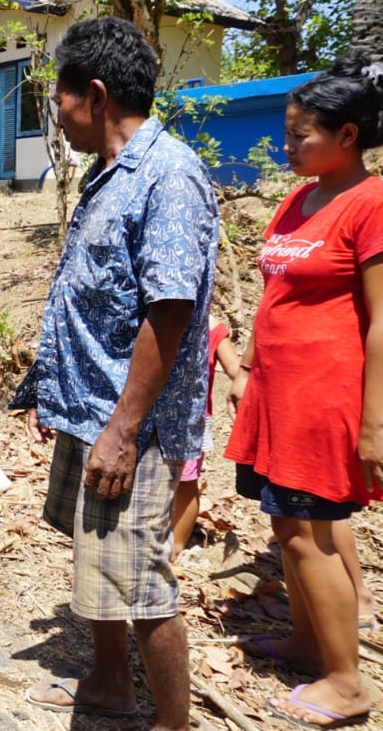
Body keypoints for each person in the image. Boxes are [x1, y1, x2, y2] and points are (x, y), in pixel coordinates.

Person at [9, 17, 218, 730]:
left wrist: (123, 431)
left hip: (132, 424)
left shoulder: (170, 177)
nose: (57, 116)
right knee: (96, 557)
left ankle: (171, 721)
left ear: (95, 96)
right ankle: (106, 683)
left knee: (139, 578)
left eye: (60, 100)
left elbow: (170, 312)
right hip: (88, 404)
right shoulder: (110, 173)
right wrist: (53, 389)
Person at [223, 52, 383, 728]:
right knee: (286, 523)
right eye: (286, 134)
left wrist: (375, 423)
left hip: (326, 396)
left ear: (347, 135)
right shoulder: (300, 195)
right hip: (277, 393)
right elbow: (278, 289)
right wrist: (249, 368)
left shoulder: (369, 204)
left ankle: (348, 682)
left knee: (311, 533)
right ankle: (308, 639)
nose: (287, 146)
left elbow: (382, 321)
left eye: (300, 135)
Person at [171, 314, 241, 559]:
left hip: (190, 419)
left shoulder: (212, 328)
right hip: (153, 413)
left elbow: (235, 369)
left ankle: (177, 543)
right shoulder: (157, 314)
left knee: (185, 481)